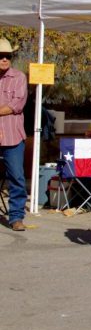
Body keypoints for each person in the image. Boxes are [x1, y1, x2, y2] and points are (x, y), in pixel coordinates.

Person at [0, 38, 27, 232]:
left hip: (12, 136)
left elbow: (16, 105)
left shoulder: (19, 77)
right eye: (0, 56)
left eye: (8, 56)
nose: (4, 59)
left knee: (16, 176)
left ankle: (16, 217)